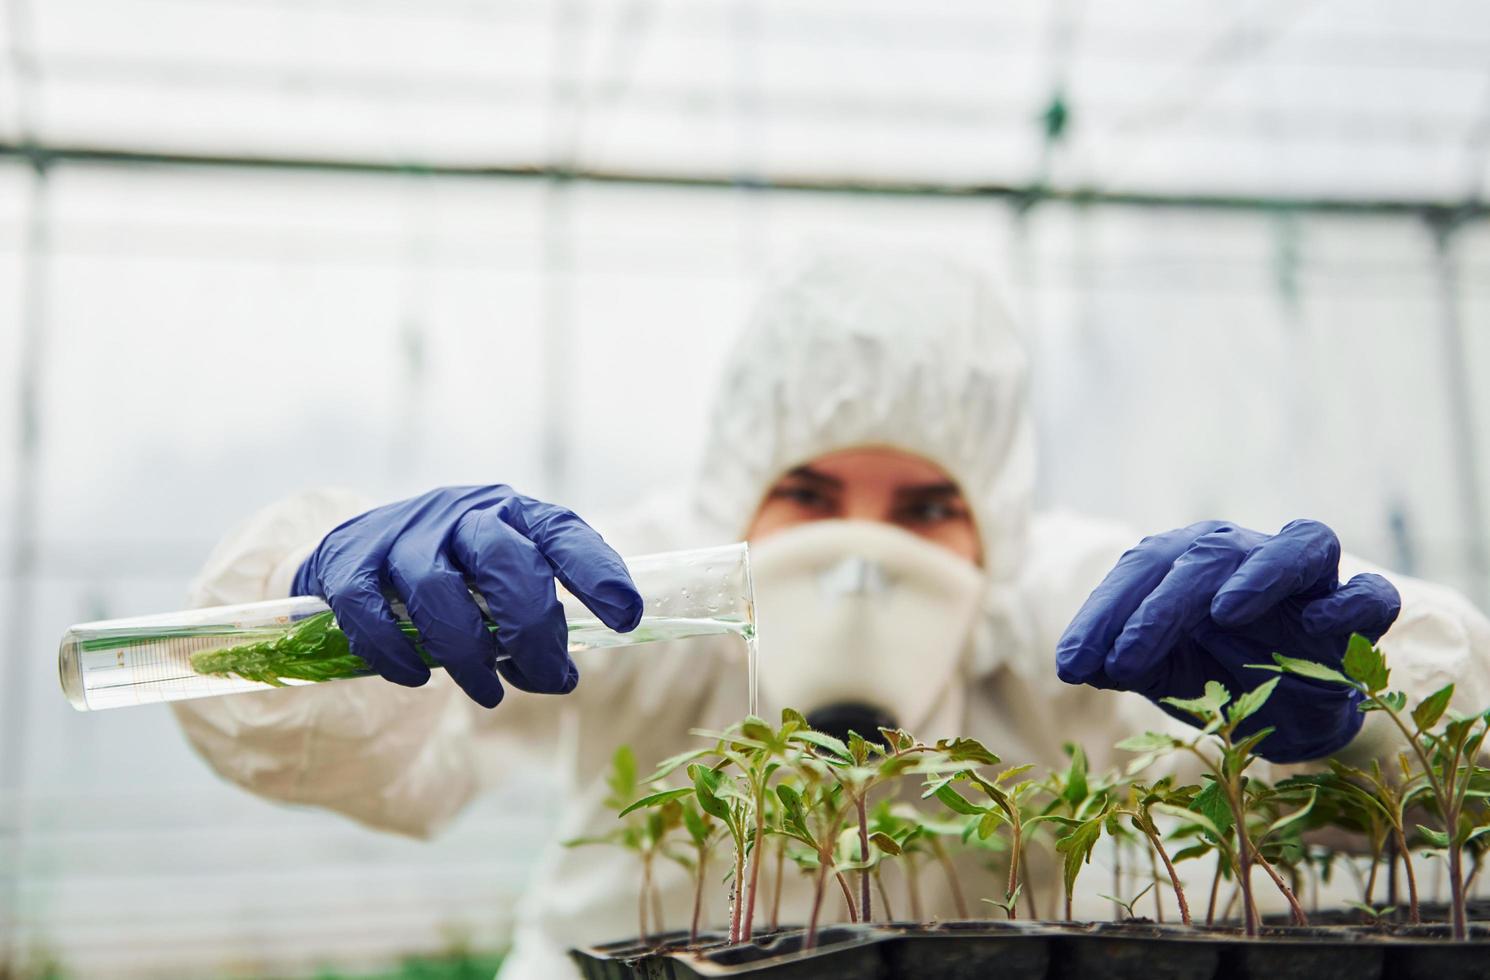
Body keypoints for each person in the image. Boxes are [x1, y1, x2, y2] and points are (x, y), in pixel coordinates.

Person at [172, 248, 1490, 979]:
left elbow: (1456, 741)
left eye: (925, 505)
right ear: (730, 506)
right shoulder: (630, 597)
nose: (865, 544)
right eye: (807, 493)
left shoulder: (1075, 612)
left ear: (998, 525)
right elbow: (358, 761)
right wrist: (321, 615)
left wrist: (1352, 714)